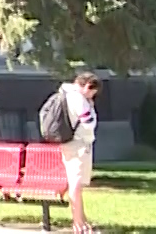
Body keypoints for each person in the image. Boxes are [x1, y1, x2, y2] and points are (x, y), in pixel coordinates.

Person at [59, 71, 101, 234]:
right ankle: (79, 225)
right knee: (76, 184)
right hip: (79, 144)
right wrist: (90, 107)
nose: (92, 96)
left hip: (68, 142)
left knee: (74, 182)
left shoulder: (64, 93)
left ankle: (81, 220)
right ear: (88, 86)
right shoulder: (79, 99)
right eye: (92, 92)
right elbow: (88, 123)